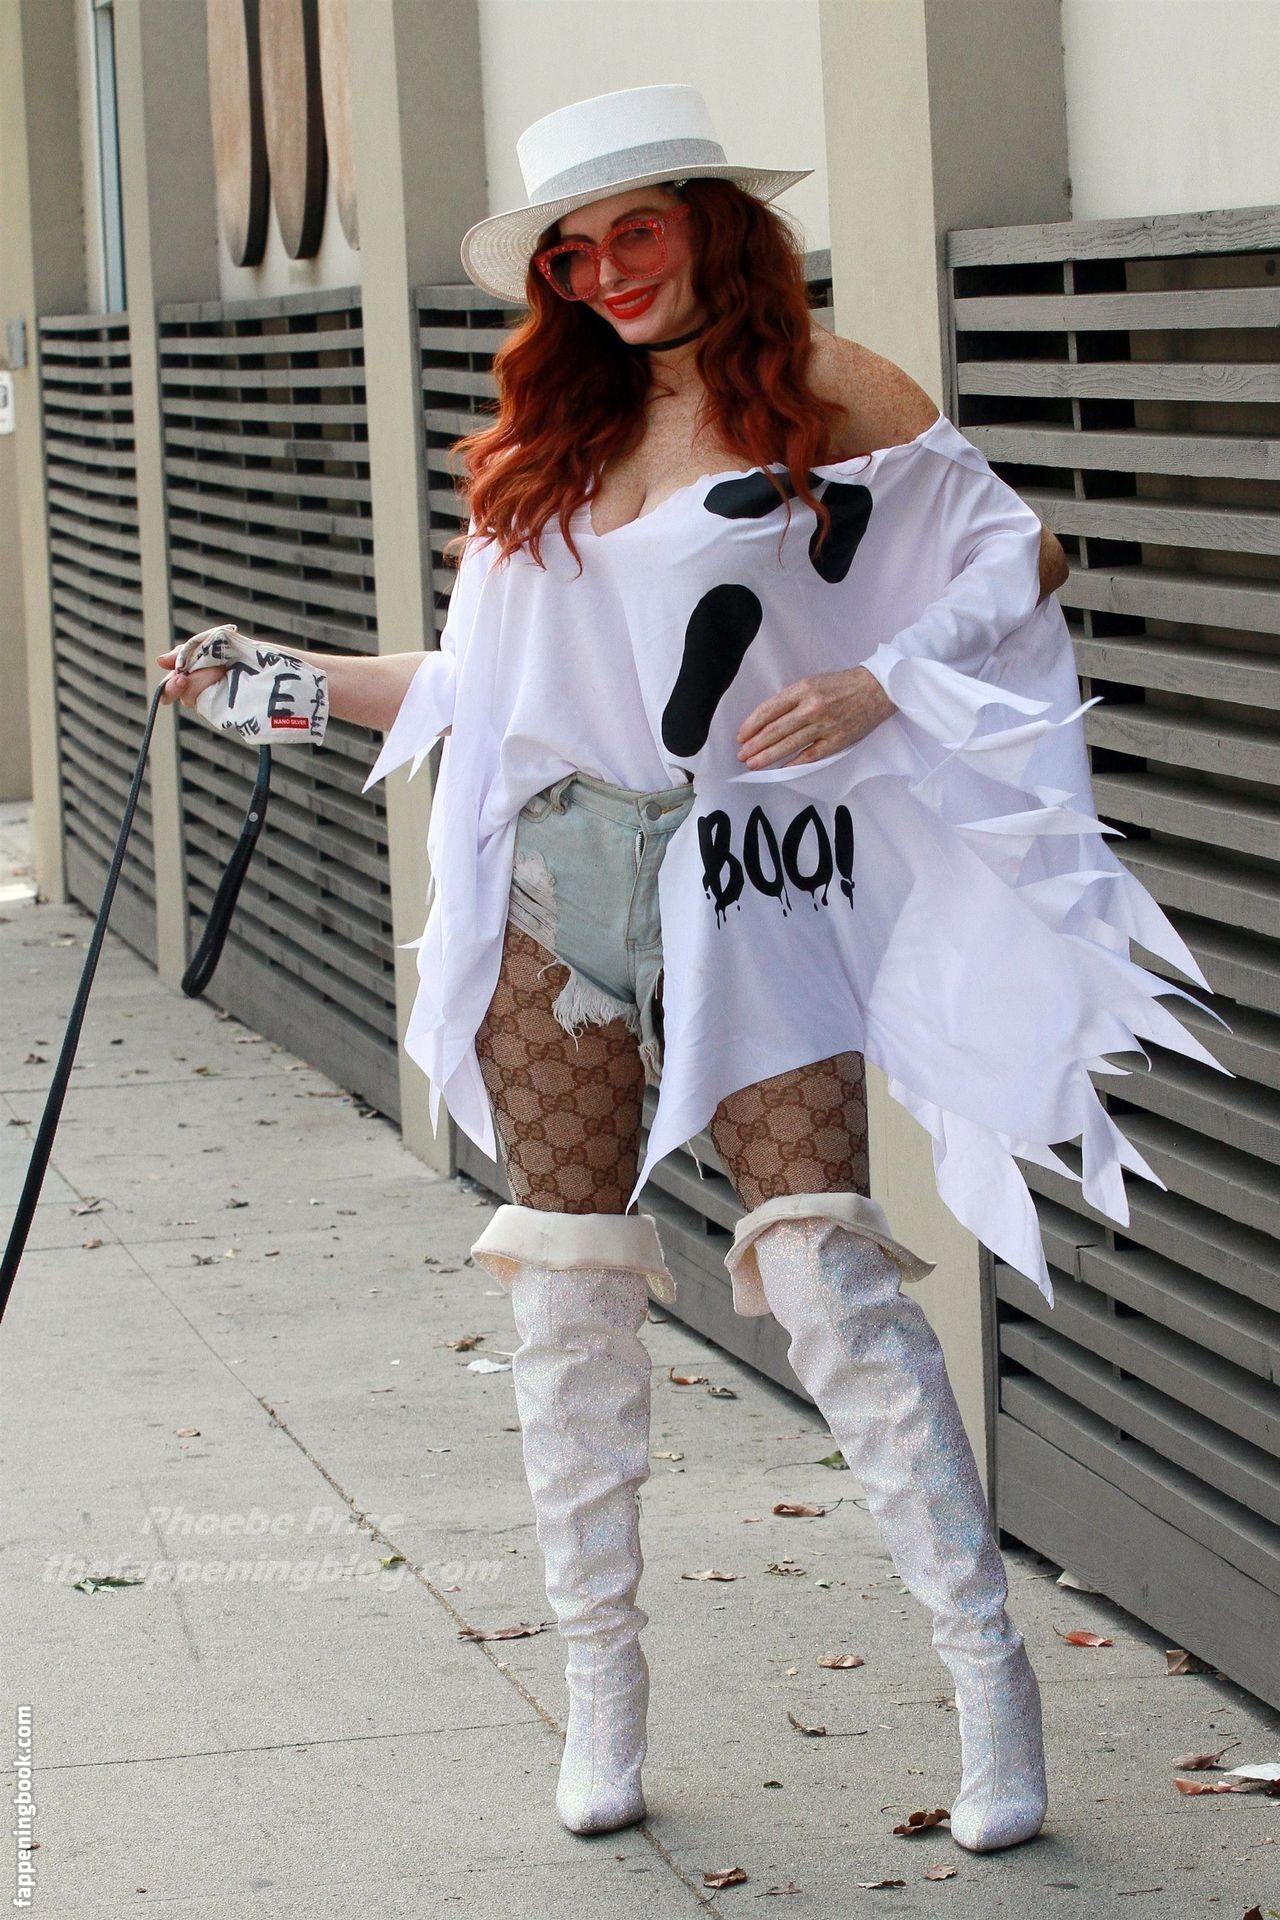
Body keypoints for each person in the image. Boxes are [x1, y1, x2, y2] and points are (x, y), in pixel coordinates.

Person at [158, 82, 1229, 1856]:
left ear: (709, 221)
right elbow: (491, 693)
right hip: (557, 882)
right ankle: (603, 1693)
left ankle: (987, 1679)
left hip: (749, 873)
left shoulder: (827, 384)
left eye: (632, 231)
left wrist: (881, 684)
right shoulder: (550, 433)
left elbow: (1018, 555)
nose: (603, 274)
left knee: (824, 1274)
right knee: (568, 1290)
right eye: (570, 254)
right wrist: (272, 681)